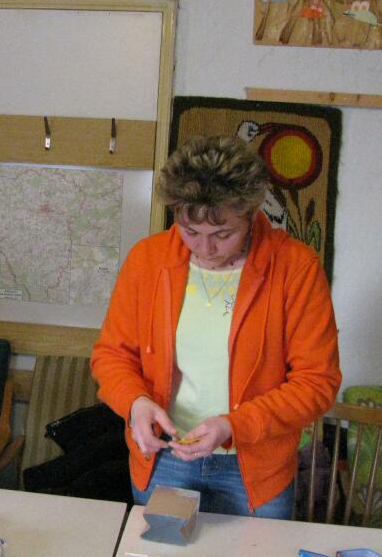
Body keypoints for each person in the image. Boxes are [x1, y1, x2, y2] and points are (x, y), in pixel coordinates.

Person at [91, 135, 340, 518]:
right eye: (190, 232)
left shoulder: (295, 268)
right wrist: (135, 403)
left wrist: (234, 426)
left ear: (251, 213)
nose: (204, 249)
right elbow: (112, 356)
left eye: (223, 235)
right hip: (165, 458)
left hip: (256, 467)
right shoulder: (148, 260)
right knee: (162, 555)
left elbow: (317, 382)